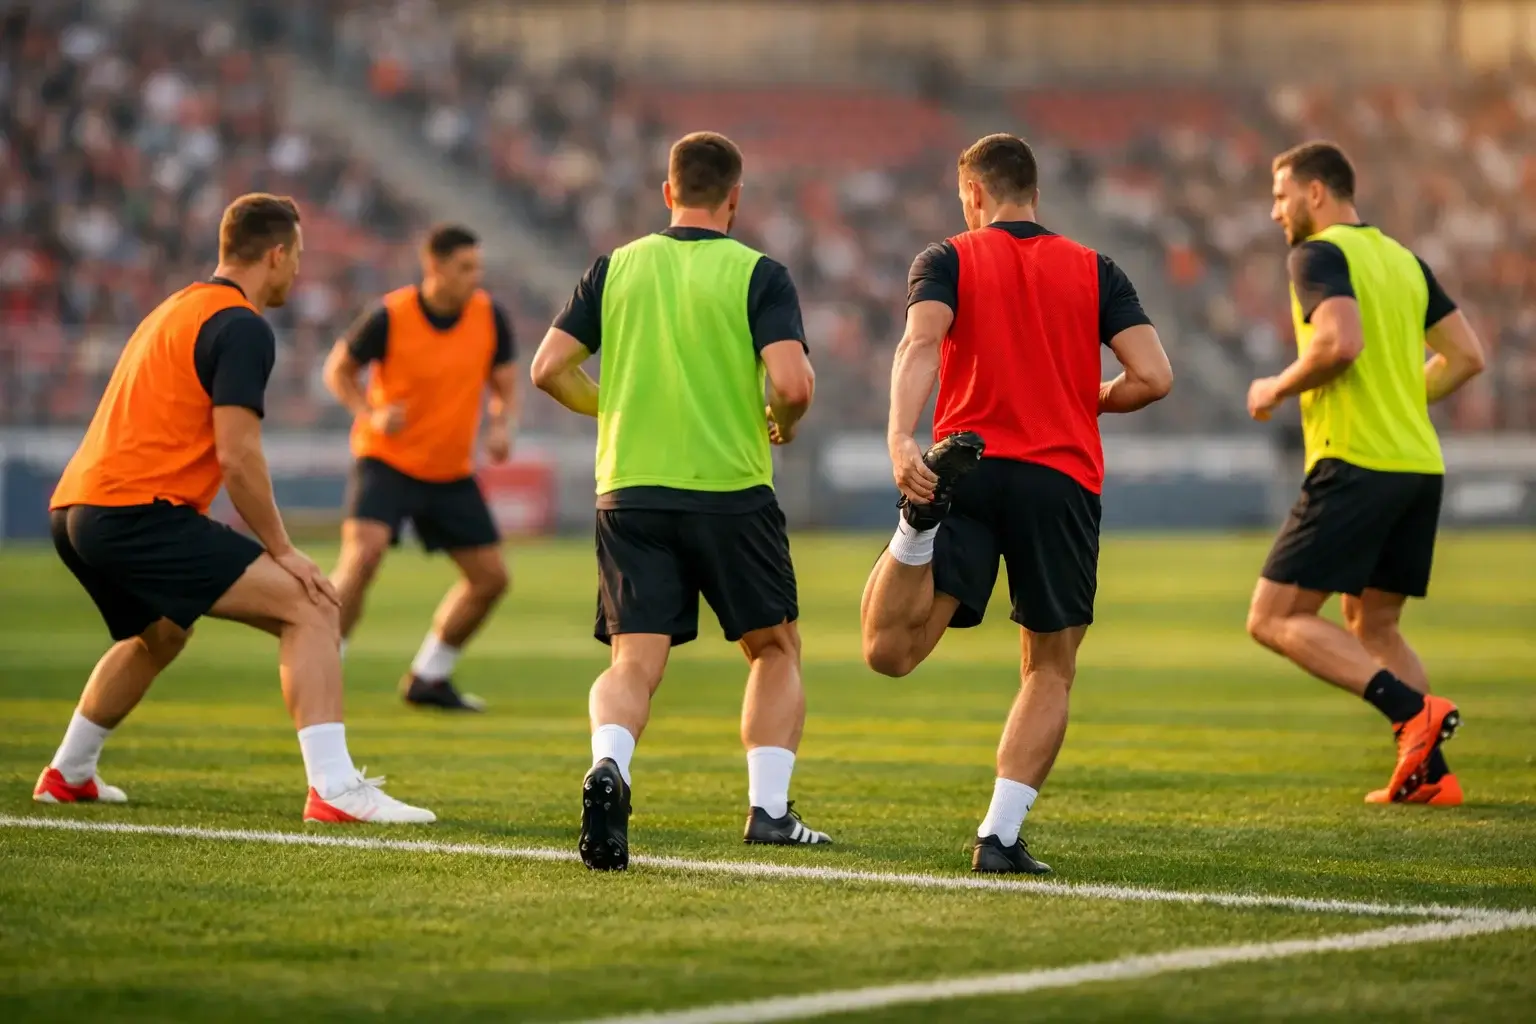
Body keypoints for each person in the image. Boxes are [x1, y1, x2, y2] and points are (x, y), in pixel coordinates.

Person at [35, 194, 434, 824]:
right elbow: (239, 456)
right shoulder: (242, 325)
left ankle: (68, 773)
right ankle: (334, 788)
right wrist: (283, 550)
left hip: (76, 511)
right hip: (135, 512)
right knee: (313, 604)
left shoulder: (176, 307)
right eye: (296, 256)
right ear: (275, 254)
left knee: (162, 633)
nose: (298, 270)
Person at [860, 134, 1173, 875]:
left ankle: (914, 530)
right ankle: (998, 837)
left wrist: (901, 438)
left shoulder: (947, 257)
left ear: (974, 194)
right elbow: (1154, 377)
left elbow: (919, 344)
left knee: (891, 652)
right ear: (1035, 193)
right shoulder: (1096, 269)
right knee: (1050, 669)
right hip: (1059, 479)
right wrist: (1087, 396)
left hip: (967, 466)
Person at [530, 131, 829, 871]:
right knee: (774, 648)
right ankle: (769, 811)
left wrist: (614, 406)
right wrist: (783, 423)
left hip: (630, 489)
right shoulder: (758, 273)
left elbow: (547, 369)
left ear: (668, 192)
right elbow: (793, 384)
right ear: (735, 197)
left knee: (634, 660)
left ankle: (610, 765)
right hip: (730, 489)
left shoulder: (615, 267)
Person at [1245, 142, 1486, 807]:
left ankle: (1412, 712)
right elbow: (1467, 356)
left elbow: (1339, 343)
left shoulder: (1318, 255)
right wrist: (1402, 396)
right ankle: (1431, 775)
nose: (1275, 211)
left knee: (1273, 617)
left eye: (1280, 196)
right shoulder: (1404, 260)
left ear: (1315, 193)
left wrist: (1274, 387)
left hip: (1355, 461)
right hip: (1417, 466)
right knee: (1373, 625)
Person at [323, 225, 519, 712]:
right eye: (465, 268)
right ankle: (321, 672)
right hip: (386, 461)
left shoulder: (490, 316)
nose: (475, 277)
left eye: (477, 267)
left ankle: (429, 677)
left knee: (491, 579)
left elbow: (506, 388)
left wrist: (501, 427)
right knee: (363, 556)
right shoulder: (390, 315)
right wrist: (370, 412)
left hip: (450, 471)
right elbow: (338, 371)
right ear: (434, 267)